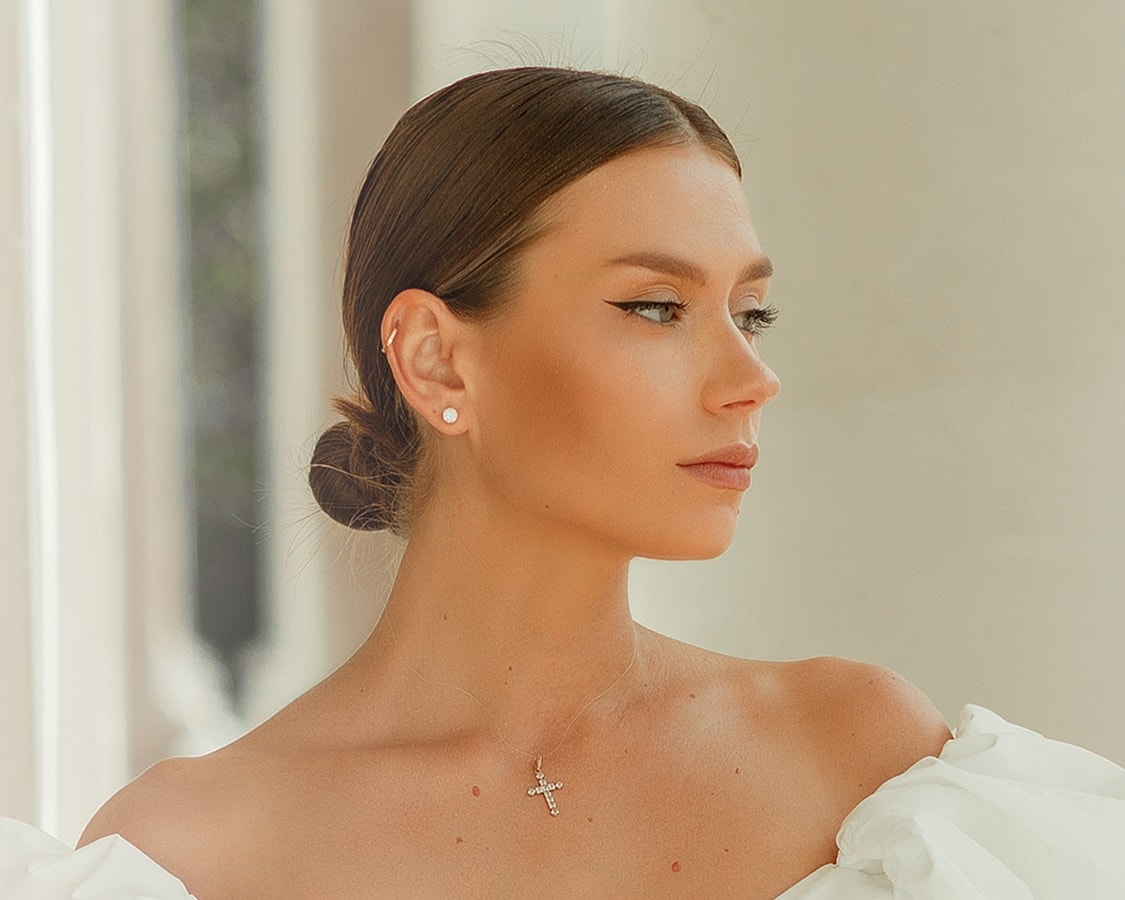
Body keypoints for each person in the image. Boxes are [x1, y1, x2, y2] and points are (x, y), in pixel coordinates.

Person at [4, 66, 1123, 900]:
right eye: (655, 307)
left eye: (752, 311)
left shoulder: (866, 763)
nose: (752, 376)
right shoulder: (187, 856)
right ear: (438, 357)